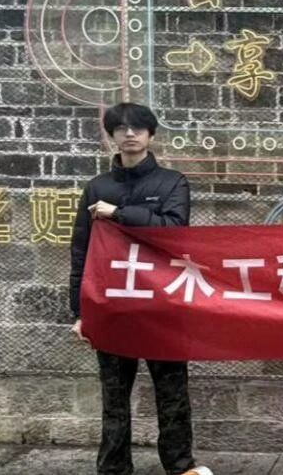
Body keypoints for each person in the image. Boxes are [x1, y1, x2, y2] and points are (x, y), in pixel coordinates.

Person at [68, 102, 212, 475]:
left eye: (137, 128)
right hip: (113, 307)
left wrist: (118, 213)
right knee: (114, 397)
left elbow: (174, 228)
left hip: (162, 306)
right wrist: (80, 312)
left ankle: (181, 466)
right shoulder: (97, 187)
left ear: (150, 134)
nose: (129, 134)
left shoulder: (172, 182)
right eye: (121, 129)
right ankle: (114, 469)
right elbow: (82, 251)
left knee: (172, 394)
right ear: (112, 136)